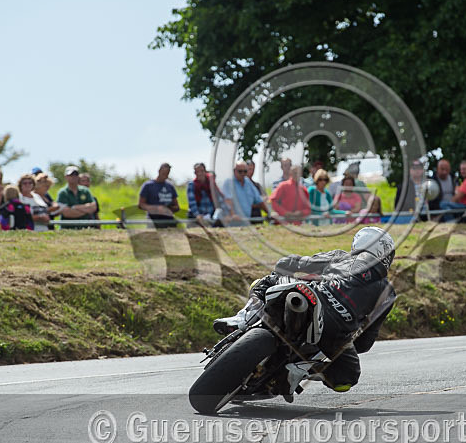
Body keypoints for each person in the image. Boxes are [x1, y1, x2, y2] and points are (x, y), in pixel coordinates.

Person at [213, 226, 396, 397]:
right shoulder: (388, 293)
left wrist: (288, 266)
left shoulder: (341, 256)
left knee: (265, 281)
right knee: (347, 378)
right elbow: (365, 342)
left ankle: (243, 318)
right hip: (335, 332)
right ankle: (301, 369)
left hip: (311, 297)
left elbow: (291, 264)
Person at [138, 163, 180, 228]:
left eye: (167, 174)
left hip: (168, 219)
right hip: (153, 219)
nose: (165, 176)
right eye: (163, 173)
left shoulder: (170, 186)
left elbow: (177, 206)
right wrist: (156, 209)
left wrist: (169, 209)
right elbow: (141, 205)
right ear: (159, 171)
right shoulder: (148, 186)